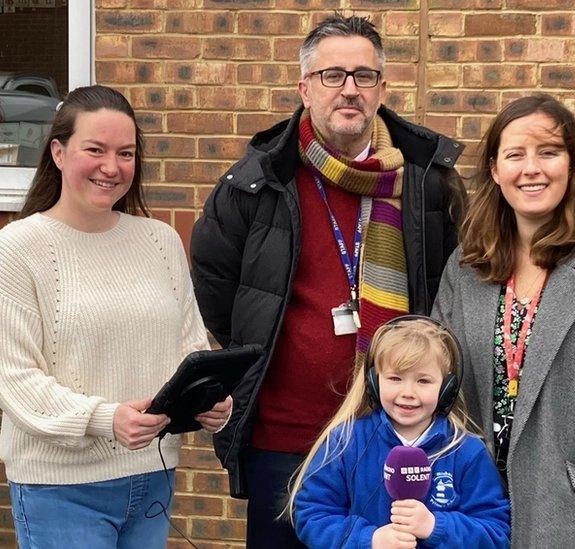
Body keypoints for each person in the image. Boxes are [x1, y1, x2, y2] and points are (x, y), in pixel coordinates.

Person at [190, 14, 466, 547]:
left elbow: (445, 296)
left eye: (364, 76)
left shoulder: (426, 184)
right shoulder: (255, 183)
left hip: (395, 438)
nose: (349, 89)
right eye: (332, 75)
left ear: (382, 89)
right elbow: (216, 286)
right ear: (304, 87)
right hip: (284, 439)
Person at [0, 85, 231, 549]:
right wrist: (104, 418)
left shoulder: (160, 240)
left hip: (153, 476)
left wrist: (208, 399)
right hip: (62, 489)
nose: (112, 167)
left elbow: (190, 345)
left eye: (126, 153)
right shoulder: (19, 249)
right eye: (95, 149)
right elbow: (15, 381)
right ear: (58, 152)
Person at [432, 94, 575, 548]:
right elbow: (439, 383)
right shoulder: (466, 267)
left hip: (566, 512)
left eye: (549, 152)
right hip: (464, 510)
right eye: (515, 154)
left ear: (571, 165)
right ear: (496, 170)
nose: (532, 169)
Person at [288, 316, 510, 549]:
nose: (408, 392)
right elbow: (313, 515)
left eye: (423, 381)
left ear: (446, 388)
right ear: (374, 382)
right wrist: (369, 540)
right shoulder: (345, 442)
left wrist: (436, 526)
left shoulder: (467, 452)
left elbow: (495, 533)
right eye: (395, 378)